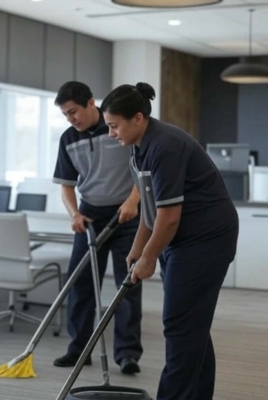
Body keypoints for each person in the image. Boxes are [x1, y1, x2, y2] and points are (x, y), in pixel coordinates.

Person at [101, 82, 239, 400]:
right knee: (192, 323)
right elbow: (151, 210)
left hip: (206, 239)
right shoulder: (139, 149)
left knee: (179, 324)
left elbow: (169, 216)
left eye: (113, 126)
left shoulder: (166, 146)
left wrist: (149, 257)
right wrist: (138, 249)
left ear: (137, 118)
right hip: (183, 239)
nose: (110, 134)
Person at [52, 81, 143, 374]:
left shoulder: (116, 127)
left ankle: (127, 354)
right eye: (66, 114)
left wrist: (132, 202)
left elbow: (142, 171)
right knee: (80, 284)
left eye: (74, 112)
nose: (71, 119)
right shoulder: (68, 139)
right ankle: (78, 349)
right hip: (90, 216)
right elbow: (66, 185)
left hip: (126, 216)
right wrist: (74, 213)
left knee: (127, 285)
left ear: (91, 103)